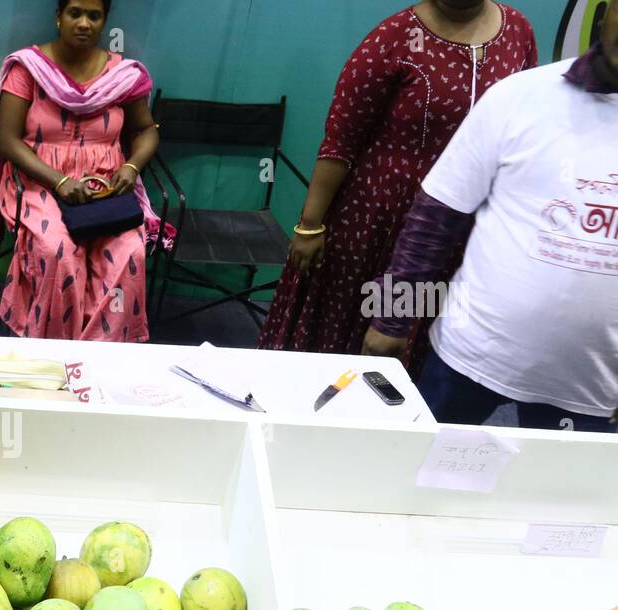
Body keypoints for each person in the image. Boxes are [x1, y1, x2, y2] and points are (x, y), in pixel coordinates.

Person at [363, 9, 618, 433]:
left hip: (592, 385)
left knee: (554, 499)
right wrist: (391, 317)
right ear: (606, 13)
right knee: (418, 485)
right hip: (471, 358)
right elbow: (435, 218)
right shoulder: (521, 96)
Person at [257, 1, 536, 369]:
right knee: (349, 339)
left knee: (425, 348)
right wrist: (310, 225)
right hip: (375, 223)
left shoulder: (517, 31)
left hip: (461, 227)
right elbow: (340, 141)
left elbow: (525, 120)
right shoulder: (395, 37)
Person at [0, 0, 164, 342]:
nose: (84, 23)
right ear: (58, 17)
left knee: (129, 251)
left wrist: (131, 166)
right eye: (75, 13)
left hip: (106, 187)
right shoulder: (29, 69)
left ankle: (101, 351)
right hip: (39, 183)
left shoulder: (123, 76)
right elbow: (7, 140)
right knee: (56, 250)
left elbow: (147, 131)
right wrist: (59, 181)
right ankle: (54, 346)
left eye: (94, 16)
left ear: (104, 22)